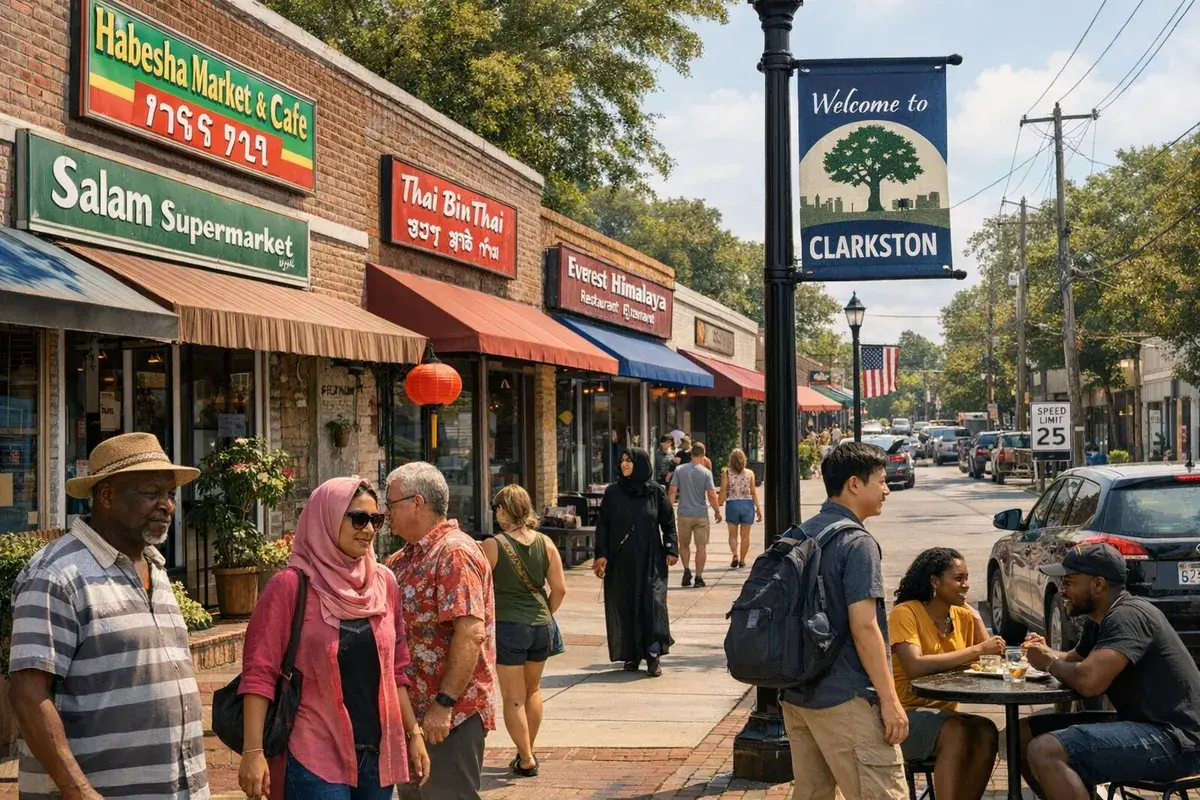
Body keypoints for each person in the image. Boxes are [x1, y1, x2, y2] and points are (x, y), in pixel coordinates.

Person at [9, 434, 209, 800]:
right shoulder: (58, 575)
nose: (166, 505)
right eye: (151, 493)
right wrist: (78, 790)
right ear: (106, 496)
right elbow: (28, 693)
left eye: (170, 495)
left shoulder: (154, 567)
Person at [239, 478, 429, 800]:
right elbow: (260, 673)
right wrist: (253, 751)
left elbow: (395, 668)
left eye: (376, 520)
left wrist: (413, 733)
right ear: (325, 517)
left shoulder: (384, 583)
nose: (368, 529)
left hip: (376, 754)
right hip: (314, 752)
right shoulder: (290, 586)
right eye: (357, 518)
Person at [1021, 543, 1200, 799]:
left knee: (1045, 750)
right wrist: (1045, 652)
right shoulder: (1099, 619)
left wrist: (1048, 663)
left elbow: (1089, 681)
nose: (1062, 590)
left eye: (1069, 582)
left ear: (1098, 585)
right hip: (1145, 726)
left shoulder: (1126, 616)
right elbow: (1073, 660)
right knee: (1023, 736)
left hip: (1178, 741)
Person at [781, 441, 908, 800]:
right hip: (846, 697)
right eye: (881, 481)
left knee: (813, 794)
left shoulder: (800, 533)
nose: (886, 490)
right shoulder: (857, 542)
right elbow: (864, 626)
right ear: (855, 484)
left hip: (799, 694)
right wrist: (889, 699)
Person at [386, 463, 496, 800]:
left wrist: (444, 704)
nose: (385, 512)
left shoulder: (453, 552)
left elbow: (470, 633)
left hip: (451, 717)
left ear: (416, 503)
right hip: (413, 717)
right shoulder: (402, 559)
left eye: (391, 504)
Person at [889, 548, 1005, 799]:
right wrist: (977, 649)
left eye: (967, 578)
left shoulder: (962, 616)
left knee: (986, 731)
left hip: (945, 716)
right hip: (903, 718)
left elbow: (993, 663)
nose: (965, 585)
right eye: (958, 578)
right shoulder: (906, 613)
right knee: (957, 731)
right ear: (934, 581)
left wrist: (976, 619)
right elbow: (915, 666)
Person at [480, 485, 567, 779]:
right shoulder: (546, 543)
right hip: (541, 625)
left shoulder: (493, 545)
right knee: (533, 691)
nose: (496, 514)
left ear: (505, 510)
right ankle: (526, 750)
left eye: (497, 509)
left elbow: (478, 587)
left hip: (508, 626)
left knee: (513, 697)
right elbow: (559, 589)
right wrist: (544, 613)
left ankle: (526, 757)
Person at [593, 447, 678, 677]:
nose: (624, 464)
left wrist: (671, 549)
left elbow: (668, 522)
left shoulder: (655, 492)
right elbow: (603, 526)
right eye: (622, 461)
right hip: (622, 561)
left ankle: (652, 654)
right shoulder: (613, 492)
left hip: (651, 559)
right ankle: (631, 655)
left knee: (653, 605)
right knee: (626, 604)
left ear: (639, 464)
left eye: (629, 461)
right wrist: (601, 555)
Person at [668, 442, 722, 588]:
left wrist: (668, 510)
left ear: (691, 454)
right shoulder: (706, 472)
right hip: (700, 515)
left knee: (684, 545)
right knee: (701, 547)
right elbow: (711, 494)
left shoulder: (679, 470)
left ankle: (686, 570)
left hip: (684, 514)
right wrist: (717, 511)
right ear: (703, 455)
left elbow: (672, 491)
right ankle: (699, 577)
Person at [717, 448, 761, 569]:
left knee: (732, 535)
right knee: (745, 535)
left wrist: (718, 503)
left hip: (732, 504)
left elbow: (723, 489)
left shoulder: (726, 473)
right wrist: (758, 507)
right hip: (747, 504)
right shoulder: (750, 473)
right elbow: (753, 492)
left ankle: (735, 555)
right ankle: (742, 560)